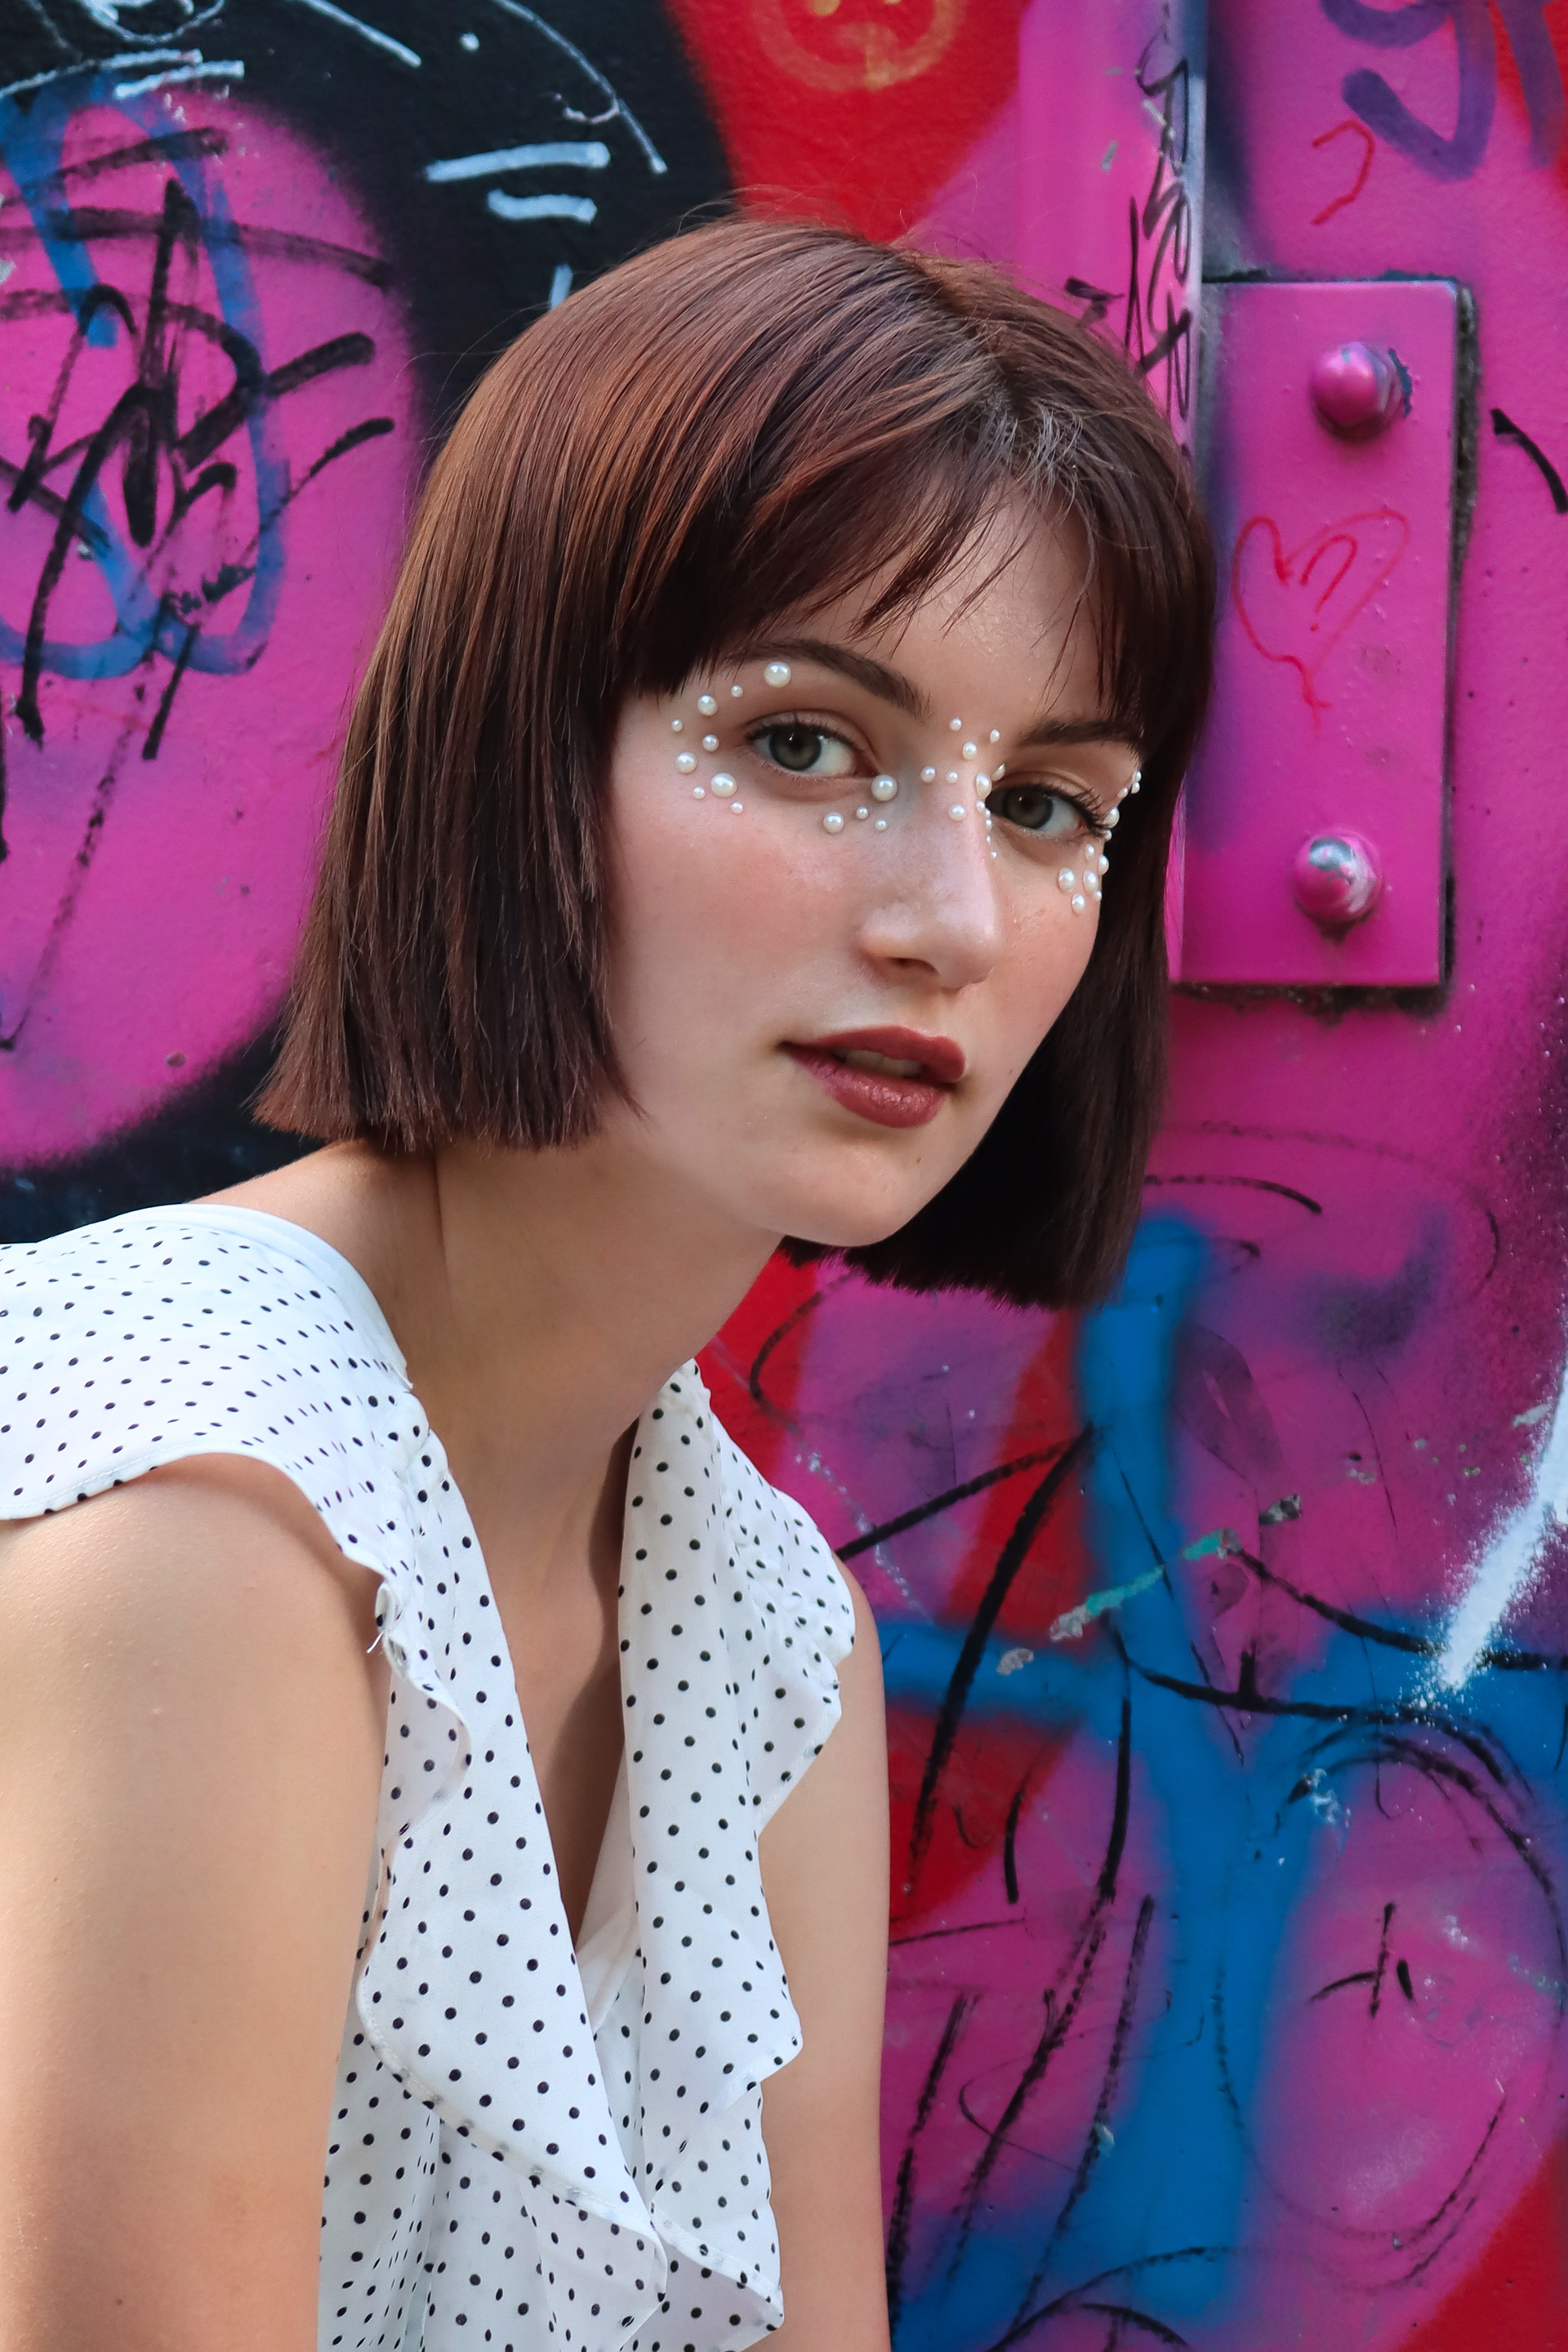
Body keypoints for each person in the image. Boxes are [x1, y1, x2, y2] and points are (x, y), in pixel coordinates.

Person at [0, 218, 1212, 2352]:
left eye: (1047, 803)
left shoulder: (762, 1638)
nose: (951, 917)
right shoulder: (208, 1518)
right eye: (808, 745)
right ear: (520, 749)